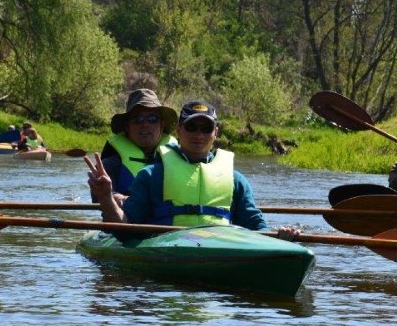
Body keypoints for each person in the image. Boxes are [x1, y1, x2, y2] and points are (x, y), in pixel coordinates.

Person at [85, 99, 299, 240]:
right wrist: (105, 197)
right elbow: (124, 228)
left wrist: (280, 237)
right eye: (191, 127)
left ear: (215, 133)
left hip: (221, 251)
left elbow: (257, 228)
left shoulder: (236, 180)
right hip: (167, 249)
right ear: (179, 130)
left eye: (206, 128)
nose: (198, 134)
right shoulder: (151, 176)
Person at [92, 88, 178, 201]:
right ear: (127, 127)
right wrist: (113, 197)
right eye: (137, 119)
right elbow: (101, 200)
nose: (145, 124)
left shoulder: (180, 158)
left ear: (162, 126)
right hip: (124, 217)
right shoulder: (110, 164)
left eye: (152, 118)